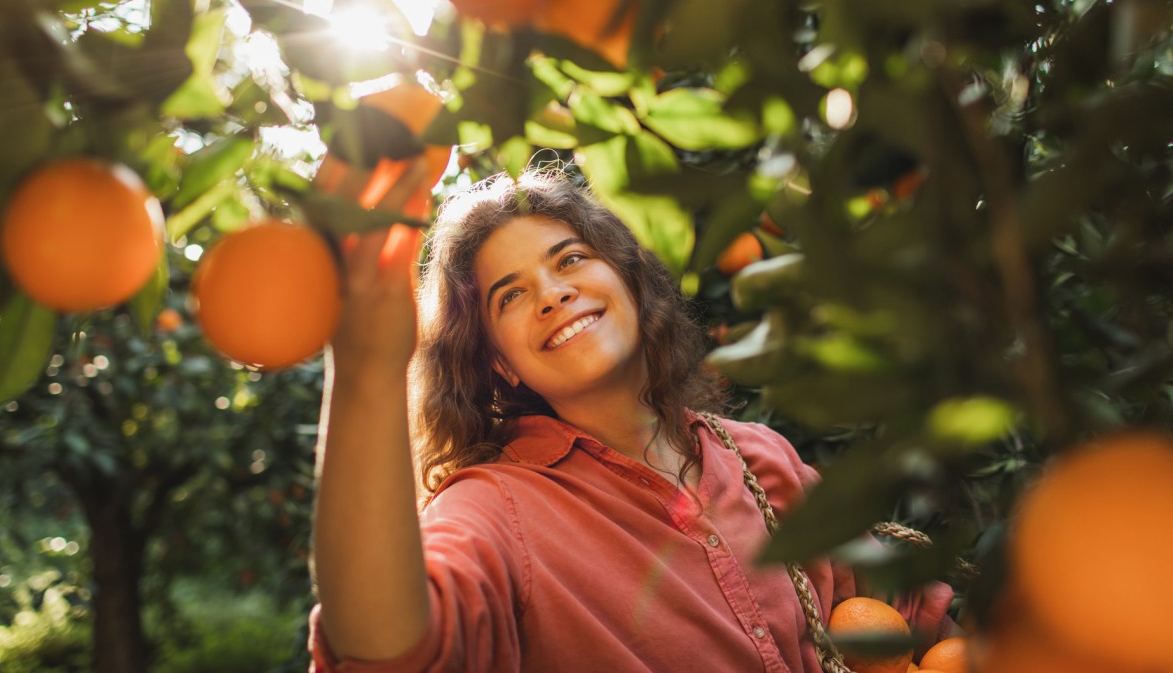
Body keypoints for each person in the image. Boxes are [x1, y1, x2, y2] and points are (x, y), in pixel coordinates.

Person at [308, 169, 955, 673]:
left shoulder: (762, 457)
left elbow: (909, 615)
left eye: (569, 259)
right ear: (499, 364)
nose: (553, 293)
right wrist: (365, 366)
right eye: (511, 295)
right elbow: (388, 649)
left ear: (629, 280)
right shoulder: (493, 508)